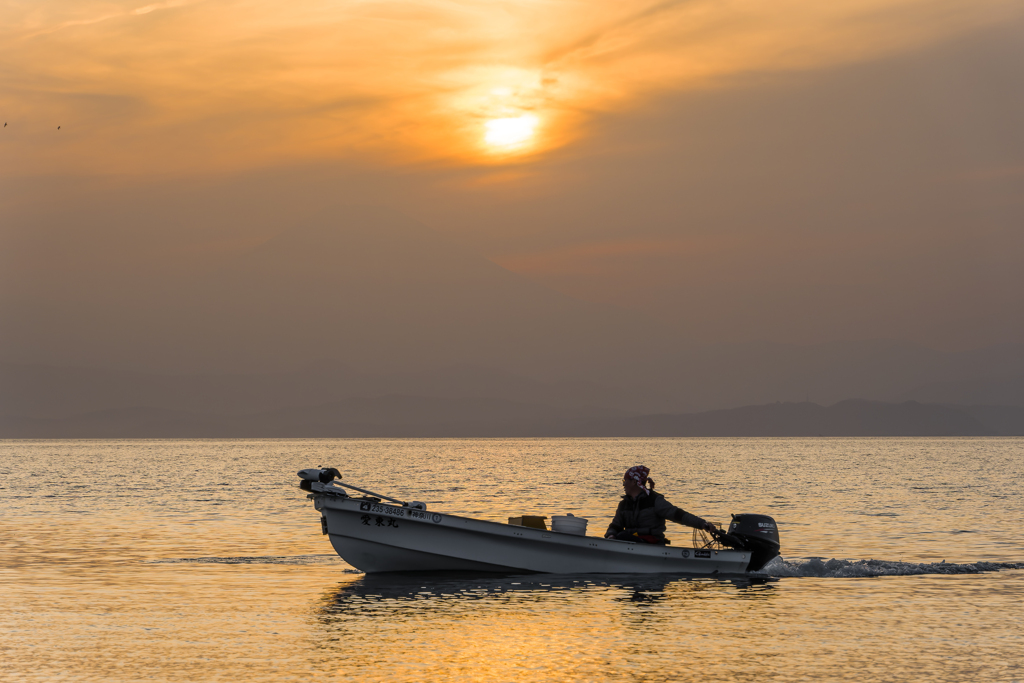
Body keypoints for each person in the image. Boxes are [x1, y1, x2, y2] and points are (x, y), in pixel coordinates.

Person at [604, 465, 716, 544]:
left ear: (634, 482)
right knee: (620, 536)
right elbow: (615, 526)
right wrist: (611, 535)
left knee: (622, 536)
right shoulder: (623, 505)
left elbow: (678, 515)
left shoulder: (655, 501)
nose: (623, 485)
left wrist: (702, 524)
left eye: (625, 481)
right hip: (628, 542)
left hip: (652, 543)